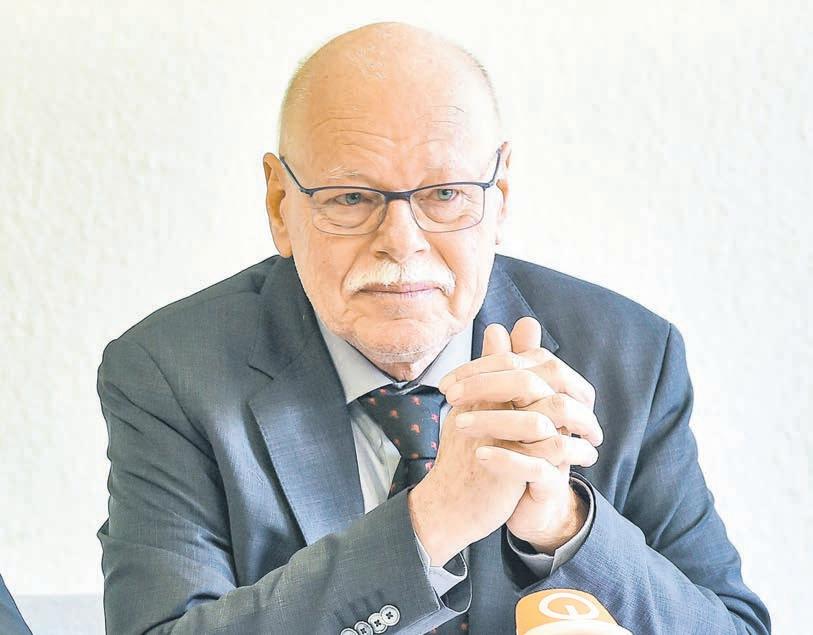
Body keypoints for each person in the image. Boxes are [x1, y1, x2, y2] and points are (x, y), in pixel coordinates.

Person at [96, 21, 771, 634]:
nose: (402, 241)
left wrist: (564, 524)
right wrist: (429, 522)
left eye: (445, 193)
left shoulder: (630, 356)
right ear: (280, 205)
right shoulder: (171, 372)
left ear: (498, 197)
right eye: (351, 197)